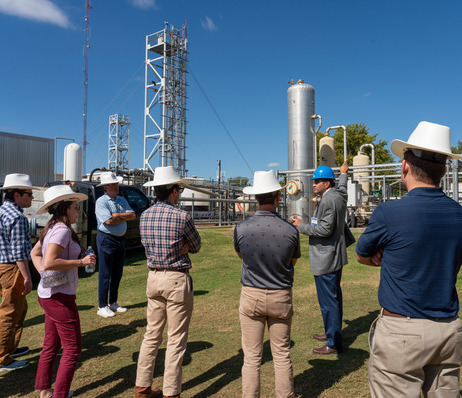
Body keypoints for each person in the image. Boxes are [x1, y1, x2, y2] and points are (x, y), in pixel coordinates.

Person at [355, 121, 462, 398]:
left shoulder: (389, 213)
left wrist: (383, 255)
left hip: (402, 330)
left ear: (404, 167)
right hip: (448, 330)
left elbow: (361, 255)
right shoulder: (458, 214)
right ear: (443, 171)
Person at [135, 166, 201, 398]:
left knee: (152, 334)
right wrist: (184, 245)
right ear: (173, 191)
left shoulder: (145, 215)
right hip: (175, 277)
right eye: (179, 189)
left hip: (154, 276)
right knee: (176, 338)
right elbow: (196, 244)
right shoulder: (182, 216)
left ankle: (142, 387)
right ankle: (171, 392)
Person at [234, 170, 300, 398]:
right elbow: (292, 261)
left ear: (255, 198)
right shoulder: (291, 230)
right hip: (280, 294)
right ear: (277, 197)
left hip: (251, 294)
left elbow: (242, 256)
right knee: (281, 354)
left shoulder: (241, 229)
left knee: (251, 357)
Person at [30, 184, 96, 398]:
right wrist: (80, 261)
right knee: (73, 349)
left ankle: (45, 390)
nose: (78, 211)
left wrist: (44, 275)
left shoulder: (51, 227)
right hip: (59, 298)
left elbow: (35, 254)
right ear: (66, 208)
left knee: (51, 343)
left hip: (49, 294)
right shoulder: (61, 230)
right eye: (76, 207)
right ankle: (59, 394)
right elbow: (49, 261)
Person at [292, 161, 350, 355]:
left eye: (317, 181)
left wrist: (301, 225)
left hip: (327, 258)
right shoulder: (338, 194)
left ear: (327, 184)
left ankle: (333, 343)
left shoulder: (328, 200)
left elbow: (324, 229)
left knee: (328, 302)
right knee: (333, 298)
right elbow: (343, 188)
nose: (314, 184)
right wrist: (343, 174)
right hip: (335, 255)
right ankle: (331, 333)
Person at [0, 173, 41, 372]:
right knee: (10, 312)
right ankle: (3, 358)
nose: (32, 197)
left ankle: (10, 348)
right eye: (29, 194)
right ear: (17, 195)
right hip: (12, 269)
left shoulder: (2, 212)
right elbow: (18, 253)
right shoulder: (17, 217)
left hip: (3, 266)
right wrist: (26, 277)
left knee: (18, 309)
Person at [95, 172, 135, 318]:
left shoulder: (121, 199)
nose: (116, 186)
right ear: (106, 187)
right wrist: (120, 217)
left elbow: (132, 215)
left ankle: (112, 302)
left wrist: (117, 215)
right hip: (107, 238)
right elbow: (108, 221)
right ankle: (102, 305)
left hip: (119, 239)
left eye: (116, 183)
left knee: (117, 273)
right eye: (113, 184)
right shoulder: (101, 202)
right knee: (105, 273)